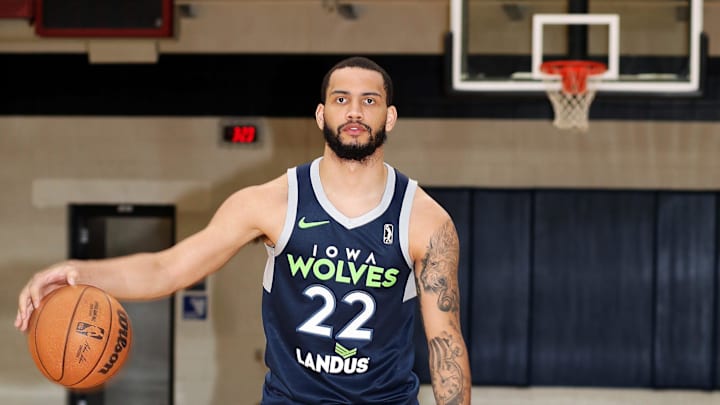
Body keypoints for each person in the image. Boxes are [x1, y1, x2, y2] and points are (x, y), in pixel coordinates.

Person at [15, 56, 472, 404]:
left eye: (369, 101)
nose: (354, 112)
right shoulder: (270, 203)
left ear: (388, 117)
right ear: (321, 115)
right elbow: (167, 268)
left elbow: (444, 340)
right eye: (341, 100)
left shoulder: (425, 221)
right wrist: (77, 272)